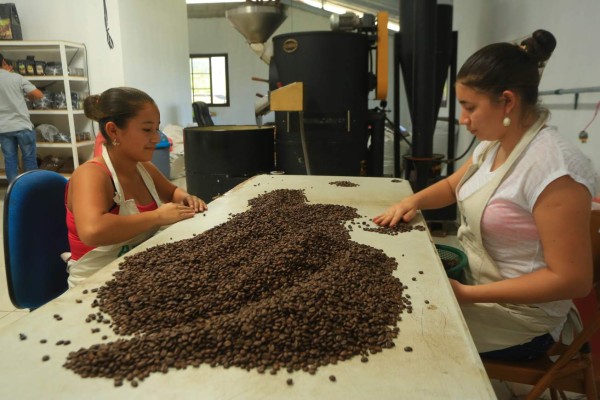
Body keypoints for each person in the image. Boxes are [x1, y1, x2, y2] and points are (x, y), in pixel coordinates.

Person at [374, 30, 597, 361]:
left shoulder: (555, 170)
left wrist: (466, 294)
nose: (463, 120)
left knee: (394, 335)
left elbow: (573, 280)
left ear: (507, 101)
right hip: (476, 286)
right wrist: (412, 201)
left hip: (521, 317)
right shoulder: (494, 143)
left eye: (469, 107)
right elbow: (452, 185)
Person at [65, 87, 208, 287]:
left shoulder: (143, 169)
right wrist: (158, 216)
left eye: (156, 129)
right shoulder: (90, 175)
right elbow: (92, 231)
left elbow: (172, 192)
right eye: (147, 130)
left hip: (137, 273)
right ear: (113, 131)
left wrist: (186, 198)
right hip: (96, 283)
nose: (156, 138)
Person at [0, 53, 44, 182]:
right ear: (4, 62)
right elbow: (38, 94)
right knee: (29, 159)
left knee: (10, 161)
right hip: (22, 125)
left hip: (3, 128)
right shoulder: (16, 78)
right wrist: (28, 96)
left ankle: (14, 190)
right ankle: (32, 189)